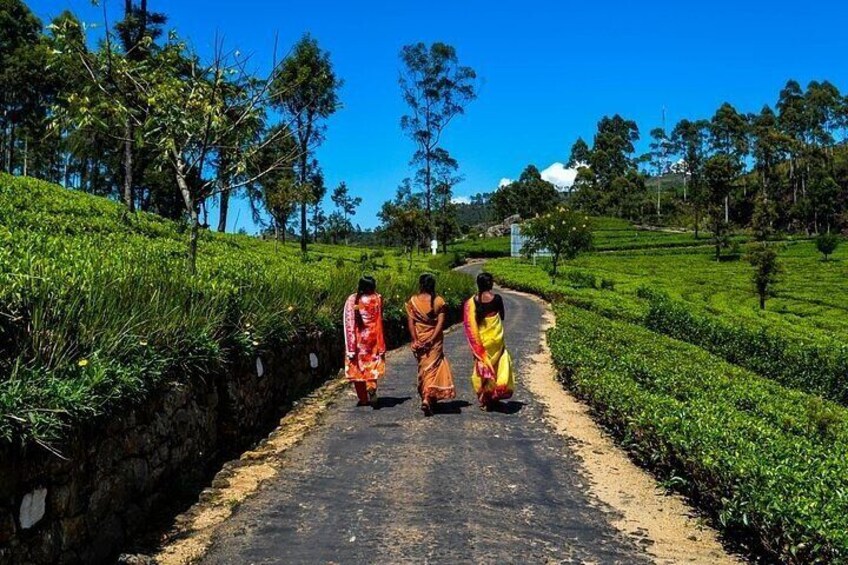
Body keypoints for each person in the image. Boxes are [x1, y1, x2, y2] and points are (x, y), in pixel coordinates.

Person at [463, 272, 514, 410]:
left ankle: (485, 399)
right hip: (496, 340)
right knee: (497, 366)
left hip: (482, 341)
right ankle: (495, 394)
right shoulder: (497, 299)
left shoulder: (472, 302)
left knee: (484, 368)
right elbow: (502, 316)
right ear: (490, 284)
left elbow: (472, 323)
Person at [407, 273, 456, 416]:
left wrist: (415, 339)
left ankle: (427, 397)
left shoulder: (413, 301)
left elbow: (411, 323)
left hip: (420, 339)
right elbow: (440, 324)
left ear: (420, 285)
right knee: (432, 368)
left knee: (424, 369)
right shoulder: (439, 301)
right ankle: (428, 398)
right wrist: (432, 339)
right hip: (434, 341)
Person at [343, 275, 386, 406]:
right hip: (373, 338)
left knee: (358, 368)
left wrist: (350, 347)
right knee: (371, 366)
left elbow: (348, 322)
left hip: (358, 341)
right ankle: (371, 386)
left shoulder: (352, 300)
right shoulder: (377, 299)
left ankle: (363, 398)